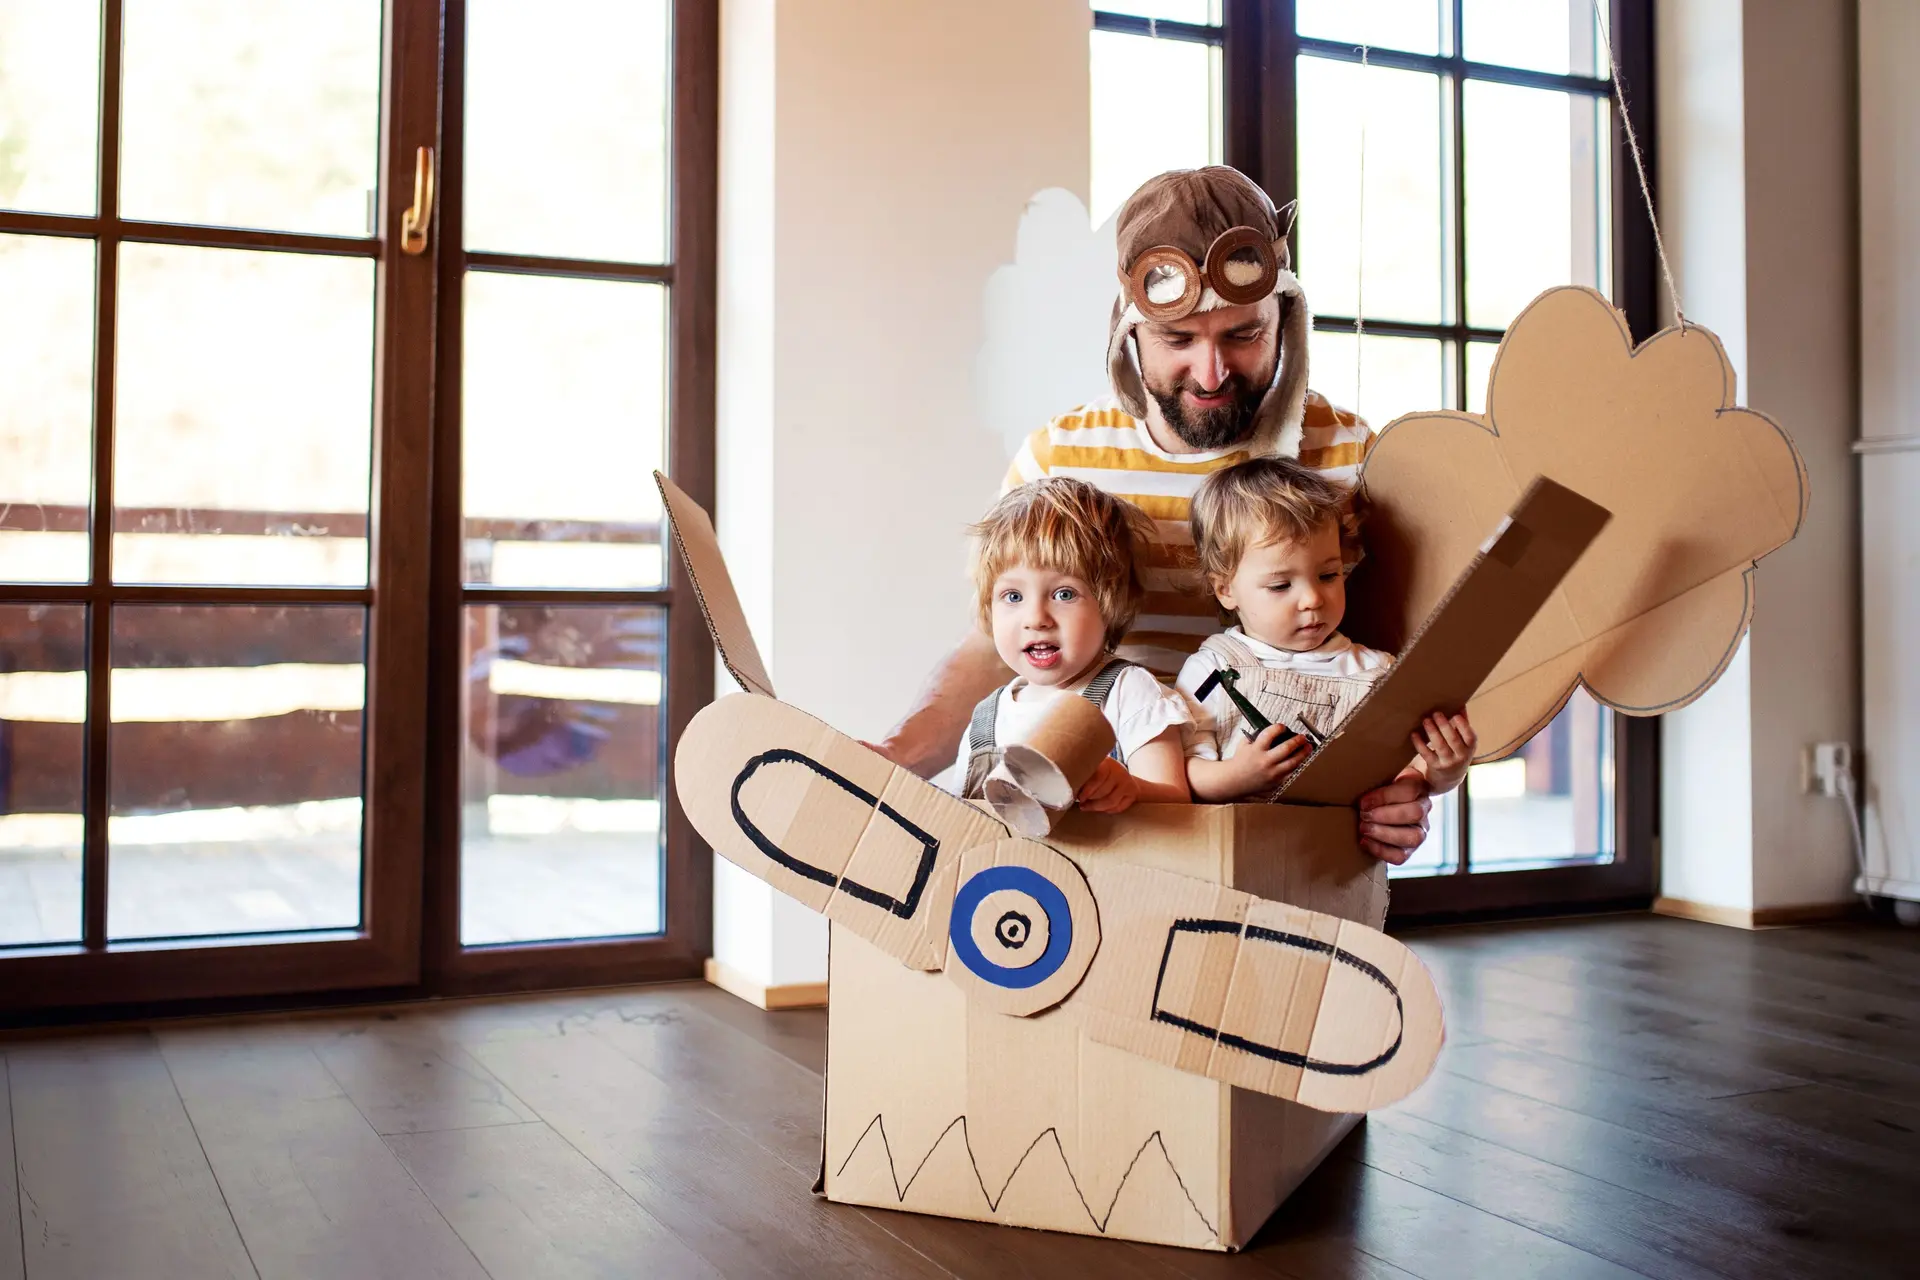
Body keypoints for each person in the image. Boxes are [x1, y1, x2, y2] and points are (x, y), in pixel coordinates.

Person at [871, 164, 1434, 863]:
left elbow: (1395, 665)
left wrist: (1404, 791)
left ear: (1284, 317)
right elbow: (997, 645)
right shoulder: (1061, 456)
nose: (1211, 372)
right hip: (1105, 822)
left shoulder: (1350, 452)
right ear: (1129, 331)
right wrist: (892, 758)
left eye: (1242, 335)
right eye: (1178, 341)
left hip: (1291, 828)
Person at [1179, 456, 1476, 802]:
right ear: (1225, 589)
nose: (1312, 599)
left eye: (1328, 576)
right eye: (1280, 585)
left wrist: (1445, 771)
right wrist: (1238, 776)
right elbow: (1185, 771)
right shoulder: (1211, 669)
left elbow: (1410, 774)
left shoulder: (1379, 673)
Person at [945, 477, 1193, 814]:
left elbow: (1179, 800)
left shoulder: (1127, 692)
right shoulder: (985, 721)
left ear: (1109, 604)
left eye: (1064, 594)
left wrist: (1131, 788)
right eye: (1013, 596)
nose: (1037, 618)